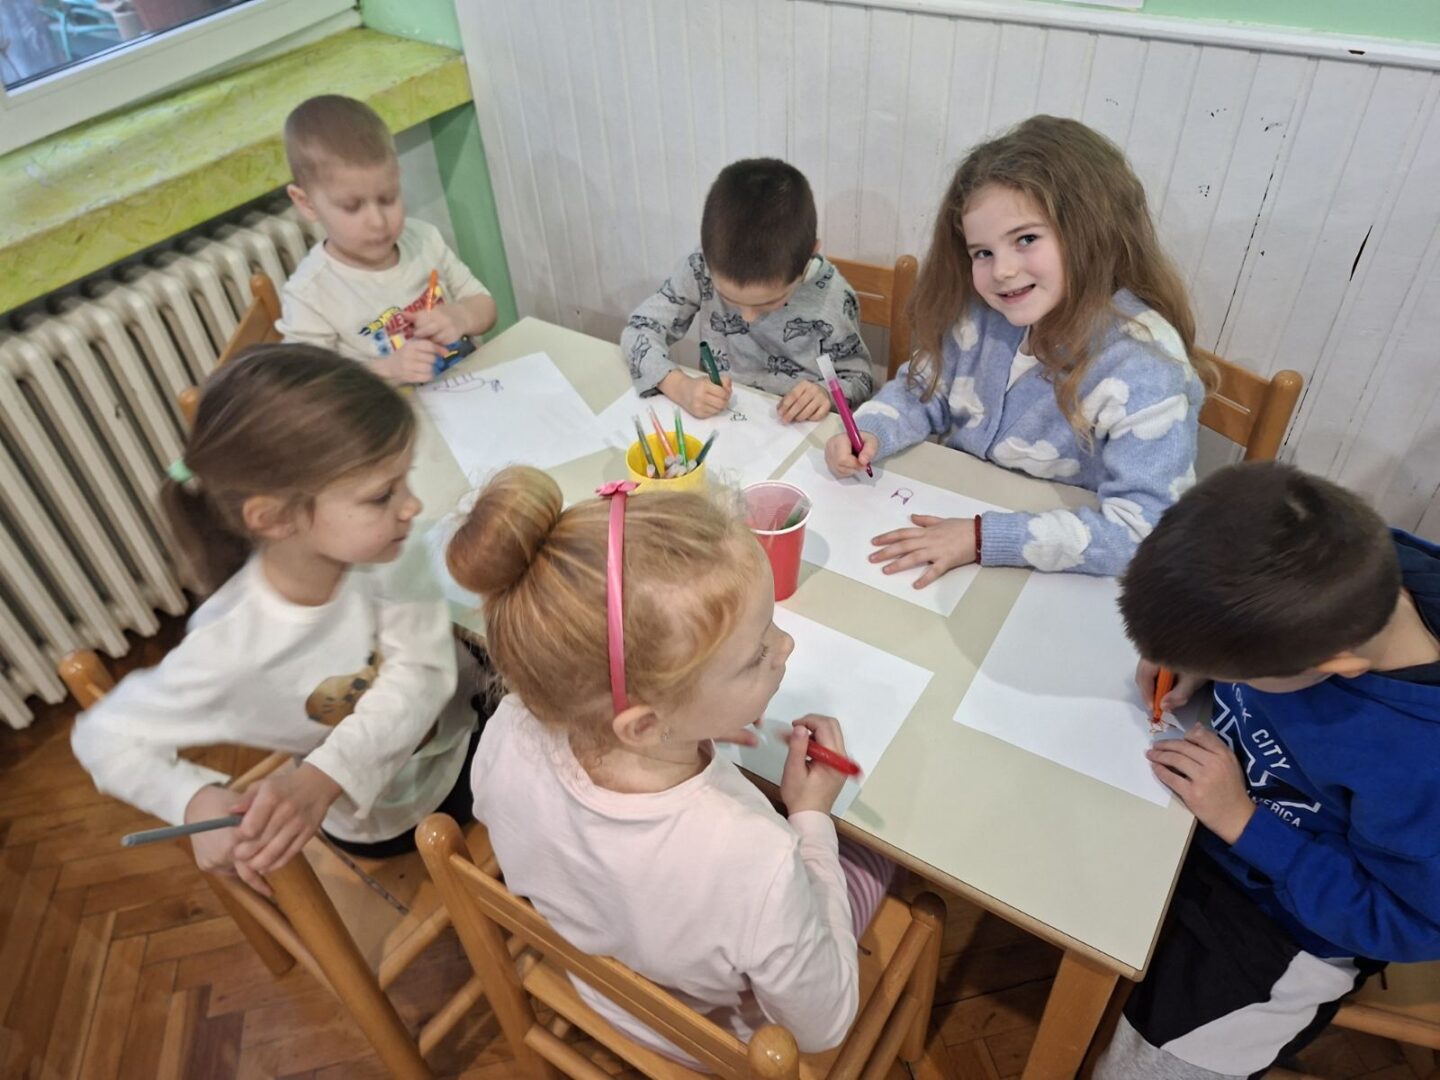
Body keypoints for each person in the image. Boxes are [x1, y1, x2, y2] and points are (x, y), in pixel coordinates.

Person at [447, 468, 895, 1063]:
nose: (786, 646)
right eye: (757, 652)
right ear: (642, 725)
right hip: (709, 1039)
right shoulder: (756, 857)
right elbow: (824, 1025)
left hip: (594, 981)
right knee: (880, 860)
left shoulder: (508, 727)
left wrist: (691, 725)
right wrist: (810, 819)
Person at [71, 346, 483, 893]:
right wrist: (191, 799)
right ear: (274, 518)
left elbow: (423, 671)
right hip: (409, 806)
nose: (411, 506)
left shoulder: (386, 547)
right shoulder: (231, 645)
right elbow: (103, 738)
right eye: (383, 494)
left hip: (457, 723)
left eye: (404, 480)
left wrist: (322, 775)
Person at [1095, 461, 1440, 1079]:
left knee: (1147, 1068)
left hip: (1291, 922)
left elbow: (1407, 922)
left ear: (1336, 664)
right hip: (1200, 821)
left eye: (1237, 672)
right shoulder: (1332, 576)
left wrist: (1246, 824)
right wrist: (1196, 659)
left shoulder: (1421, 765)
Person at [828, 115, 1216, 583]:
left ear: (1091, 231)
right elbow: (921, 390)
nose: (1002, 271)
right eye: (982, 252)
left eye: (1026, 239)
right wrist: (869, 431)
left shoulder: (1143, 369)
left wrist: (983, 538)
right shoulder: (982, 314)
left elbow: (1144, 532)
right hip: (960, 526)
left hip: (1059, 575)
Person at [623, 157, 873, 423]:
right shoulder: (701, 268)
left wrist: (826, 394)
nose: (748, 317)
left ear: (808, 258)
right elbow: (639, 330)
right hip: (718, 422)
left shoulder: (834, 297)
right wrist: (679, 386)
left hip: (795, 432)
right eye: (728, 298)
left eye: (769, 302)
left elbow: (858, 378)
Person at [276, 94, 497, 384]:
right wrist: (387, 370)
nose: (378, 222)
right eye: (352, 207)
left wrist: (461, 316)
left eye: (388, 198)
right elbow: (308, 384)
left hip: (473, 386)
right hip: (389, 409)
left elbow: (485, 305)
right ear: (306, 203)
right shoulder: (311, 293)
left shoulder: (424, 239)